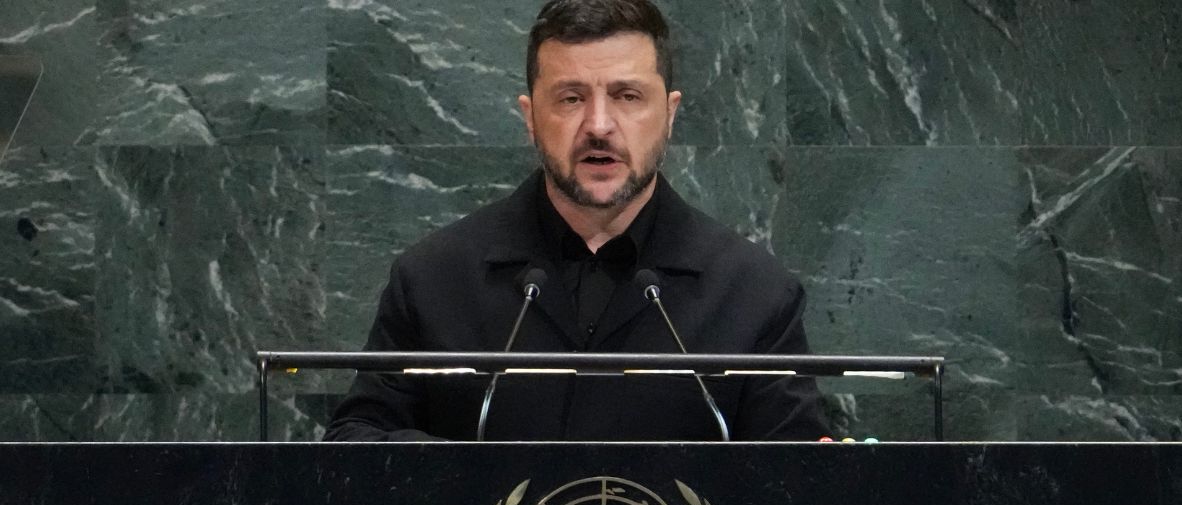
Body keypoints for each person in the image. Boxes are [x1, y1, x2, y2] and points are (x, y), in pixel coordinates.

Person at [323, 0, 829, 442]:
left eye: (628, 96)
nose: (599, 125)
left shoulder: (755, 294)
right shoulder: (433, 279)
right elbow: (357, 439)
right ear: (529, 116)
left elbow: (796, 490)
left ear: (670, 114)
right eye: (571, 98)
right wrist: (461, 483)